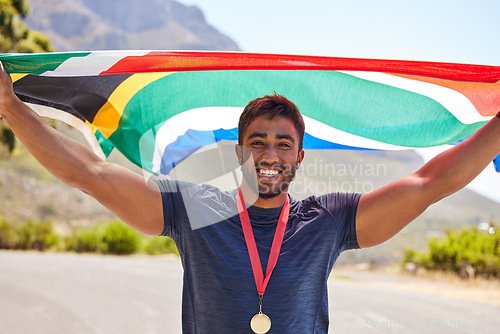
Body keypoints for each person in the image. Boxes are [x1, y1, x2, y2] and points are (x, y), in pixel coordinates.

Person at [0, 61, 499, 333]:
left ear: (300, 157)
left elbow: (430, 183)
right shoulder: (197, 207)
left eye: (285, 143)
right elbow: (90, 173)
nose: (271, 154)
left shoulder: (328, 219)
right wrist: (11, 106)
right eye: (258, 142)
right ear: (239, 151)